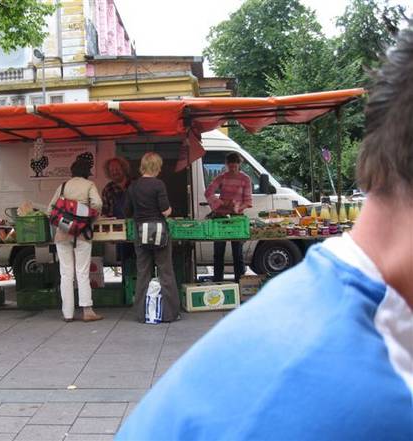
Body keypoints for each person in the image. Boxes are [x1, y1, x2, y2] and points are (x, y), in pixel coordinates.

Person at [116, 24, 413, 441]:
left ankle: (158, 307)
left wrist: (235, 204)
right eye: (234, 167)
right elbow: (184, 201)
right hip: (165, 228)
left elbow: (136, 209)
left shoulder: (138, 185)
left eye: (237, 167)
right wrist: (220, 204)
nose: (236, 170)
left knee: (179, 267)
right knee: (170, 270)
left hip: (145, 230)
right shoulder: (377, 399)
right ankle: (171, 308)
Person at [125, 152, 180, 323]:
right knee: (165, 271)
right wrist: (170, 211)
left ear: (142, 166)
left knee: (143, 272)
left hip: (140, 232)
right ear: (157, 167)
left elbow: (127, 211)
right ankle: (170, 314)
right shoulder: (158, 185)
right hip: (159, 233)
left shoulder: (133, 186)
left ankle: (142, 313)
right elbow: (165, 210)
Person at [48, 156, 103, 322]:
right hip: (82, 233)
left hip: (63, 233)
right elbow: (98, 204)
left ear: (72, 172)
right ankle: (87, 311)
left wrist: (65, 223)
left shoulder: (63, 186)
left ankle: (68, 314)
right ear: (87, 173)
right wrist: (88, 217)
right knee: (82, 271)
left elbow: (50, 209)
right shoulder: (89, 185)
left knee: (65, 273)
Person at [204, 152, 252, 283]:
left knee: (238, 253)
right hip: (220, 217)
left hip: (237, 218)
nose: (232, 169)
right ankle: (217, 281)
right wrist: (220, 203)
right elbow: (208, 192)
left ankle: (240, 282)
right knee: (218, 252)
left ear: (239, 165)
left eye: (234, 167)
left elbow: (248, 201)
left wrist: (237, 207)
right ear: (226, 165)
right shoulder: (222, 177)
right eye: (230, 167)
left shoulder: (245, 179)